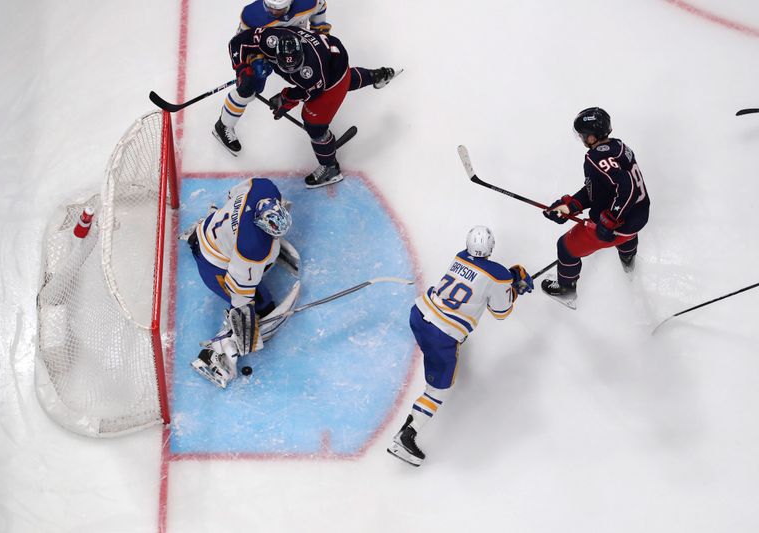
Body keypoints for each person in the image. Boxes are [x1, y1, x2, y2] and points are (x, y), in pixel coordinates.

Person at [387, 226, 534, 467]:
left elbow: (480, 279)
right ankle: (406, 436)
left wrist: (509, 281)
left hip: (420, 314)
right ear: (491, 247)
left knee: (434, 366)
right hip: (442, 334)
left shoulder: (460, 256)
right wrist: (514, 288)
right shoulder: (499, 275)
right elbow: (500, 311)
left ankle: (409, 426)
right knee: (438, 390)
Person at [223, 26, 400, 188]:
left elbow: (312, 92)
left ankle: (330, 168)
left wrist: (286, 98)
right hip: (333, 55)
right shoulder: (270, 38)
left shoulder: (310, 71)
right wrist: (242, 70)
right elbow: (237, 42)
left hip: (329, 75)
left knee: (314, 124)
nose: (291, 70)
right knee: (345, 79)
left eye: (295, 66)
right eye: (286, 66)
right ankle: (376, 75)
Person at [187, 177, 301, 388]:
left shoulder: (264, 188)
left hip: (209, 228)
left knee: (253, 251)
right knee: (261, 305)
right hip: (211, 264)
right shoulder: (252, 247)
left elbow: (233, 194)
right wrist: (246, 323)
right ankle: (215, 356)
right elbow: (239, 288)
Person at [541, 107, 650, 308]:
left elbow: (628, 187)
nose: (581, 138)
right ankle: (628, 260)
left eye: (582, 135)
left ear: (591, 137)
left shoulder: (596, 158)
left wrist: (611, 219)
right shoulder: (619, 146)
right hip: (638, 218)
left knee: (565, 248)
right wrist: (571, 205)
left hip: (618, 226)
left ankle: (566, 292)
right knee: (627, 234)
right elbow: (602, 188)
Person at [214, 0, 332, 157]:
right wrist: (243, 69)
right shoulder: (252, 15)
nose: (272, 12)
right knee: (250, 89)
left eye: (279, 9)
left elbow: (320, 7)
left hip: (297, 47)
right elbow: (239, 43)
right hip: (266, 50)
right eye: (268, 7)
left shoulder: (308, 2)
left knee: (316, 78)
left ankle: (317, 123)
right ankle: (223, 125)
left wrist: (319, 32)